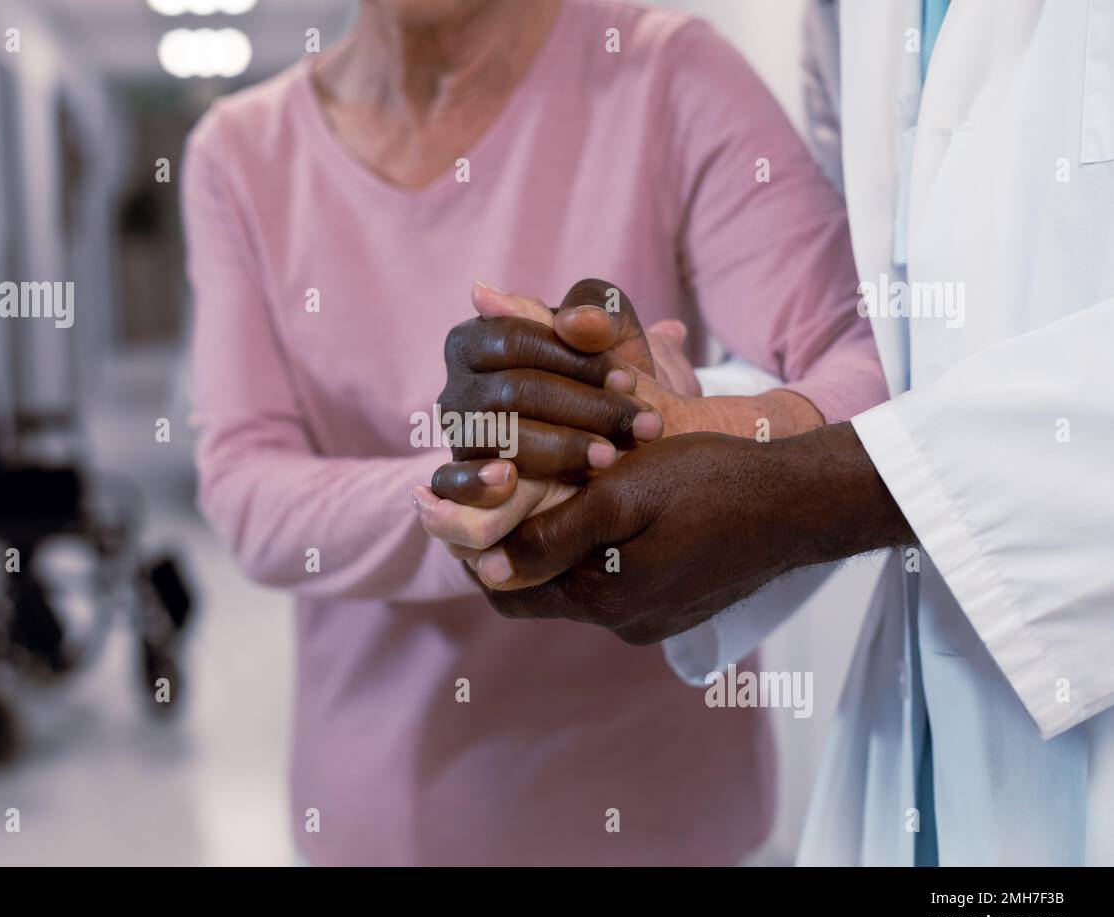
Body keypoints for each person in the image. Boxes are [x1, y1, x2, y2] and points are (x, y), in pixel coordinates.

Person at [182, 0, 886, 864]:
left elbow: (867, 353)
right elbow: (247, 486)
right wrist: (487, 490)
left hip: (666, 820)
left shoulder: (666, 71)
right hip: (387, 820)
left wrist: (696, 434)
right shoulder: (240, 154)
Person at [419, 0, 1114, 865]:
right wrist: (666, 423)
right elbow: (891, 341)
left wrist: (804, 495)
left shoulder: (668, 59)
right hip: (936, 748)